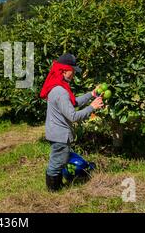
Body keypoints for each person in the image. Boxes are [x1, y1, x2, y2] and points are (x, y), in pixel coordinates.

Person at [40, 53, 103, 192]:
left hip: (55, 132)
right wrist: (92, 107)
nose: (73, 74)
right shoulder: (60, 91)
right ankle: (53, 190)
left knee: (59, 160)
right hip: (59, 135)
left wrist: (90, 95)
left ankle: (56, 186)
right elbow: (73, 116)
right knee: (57, 163)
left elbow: (72, 103)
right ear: (63, 71)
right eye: (72, 71)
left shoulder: (57, 86)